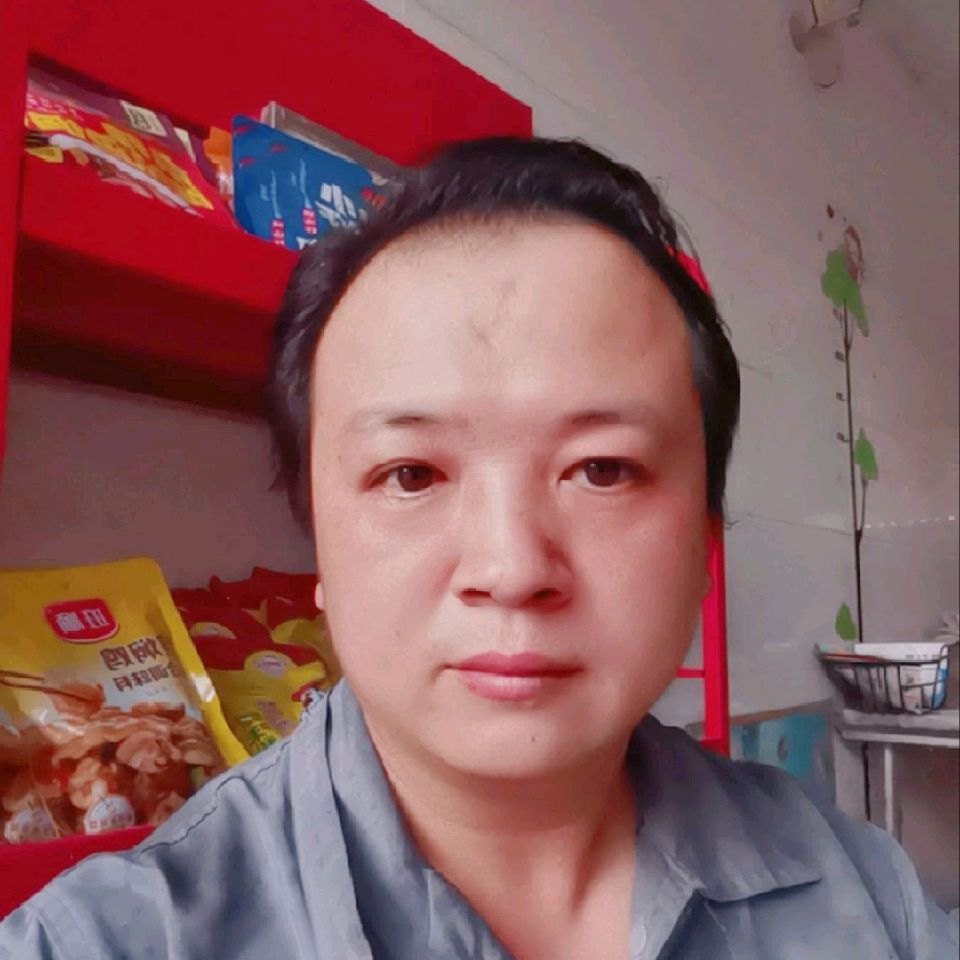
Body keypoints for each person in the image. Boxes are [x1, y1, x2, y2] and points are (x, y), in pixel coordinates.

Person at [1, 136, 955, 960]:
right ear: (320, 548)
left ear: (703, 540)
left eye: (602, 469)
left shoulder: (866, 896)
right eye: (411, 474)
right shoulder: (106, 940)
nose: (511, 569)